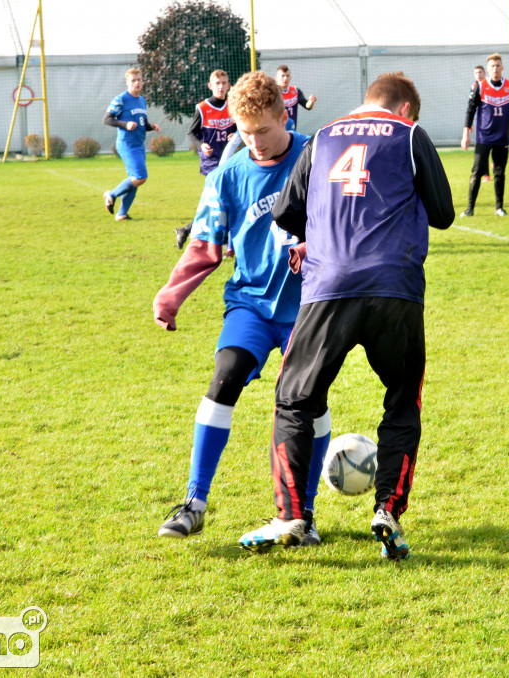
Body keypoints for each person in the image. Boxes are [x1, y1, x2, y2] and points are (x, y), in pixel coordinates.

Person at [238, 72, 455, 560]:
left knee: (295, 398)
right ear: (405, 111)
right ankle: (387, 511)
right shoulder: (410, 134)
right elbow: (442, 213)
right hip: (395, 290)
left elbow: (286, 215)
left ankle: (293, 515)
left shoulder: (320, 139)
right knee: (402, 399)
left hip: (327, 287)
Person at [153, 71, 332, 544]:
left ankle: (302, 515)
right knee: (223, 380)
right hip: (250, 304)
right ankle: (194, 502)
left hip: (310, 308)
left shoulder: (318, 156)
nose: (254, 143)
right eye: (244, 133)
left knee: (306, 404)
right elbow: (205, 245)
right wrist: (171, 296)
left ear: (283, 115)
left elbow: (344, 221)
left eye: (264, 132)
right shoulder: (229, 174)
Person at [175, 69, 238, 250]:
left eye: (223, 83)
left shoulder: (232, 106)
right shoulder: (202, 108)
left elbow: (235, 128)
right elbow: (192, 133)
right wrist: (201, 145)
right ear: (210, 86)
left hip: (228, 159)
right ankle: (224, 240)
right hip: (210, 160)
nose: (220, 87)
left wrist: (233, 134)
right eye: (217, 83)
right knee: (221, 198)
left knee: (218, 201)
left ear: (228, 85)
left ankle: (186, 230)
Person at [460, 53, 509, 217]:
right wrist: (465, 134)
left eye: (498, 65)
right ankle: (470, 208)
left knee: (500, 173)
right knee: (476, 172)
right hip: (483, 138)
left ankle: (499, 208)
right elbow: (470, 109)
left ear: (502, 68)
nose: (495, 68)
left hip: (502, 138)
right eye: (492, 66)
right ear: (488, 69)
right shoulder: (480, 87)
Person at [103, 68, 160, 221]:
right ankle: (112, 194)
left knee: (135, 179)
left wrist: (151, 127)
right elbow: (107, 119)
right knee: (141, 177)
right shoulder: (120, 99)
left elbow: (142, 123)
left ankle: (121, 214)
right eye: (133, 80)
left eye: (139, 80)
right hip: (126, 144)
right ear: (127, 82)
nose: (137, 83)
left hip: (139, 144)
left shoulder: (142, 100)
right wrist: (124, 124)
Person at [276, 65, 316, 131]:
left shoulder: (295, 91)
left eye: (287, 76)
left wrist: (311, 101)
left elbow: (307, 106)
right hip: (277, 129)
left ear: (290, 77)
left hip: (291, 129)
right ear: (276, 77)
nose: (285, 78)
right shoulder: (273, 92)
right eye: (283, 76)